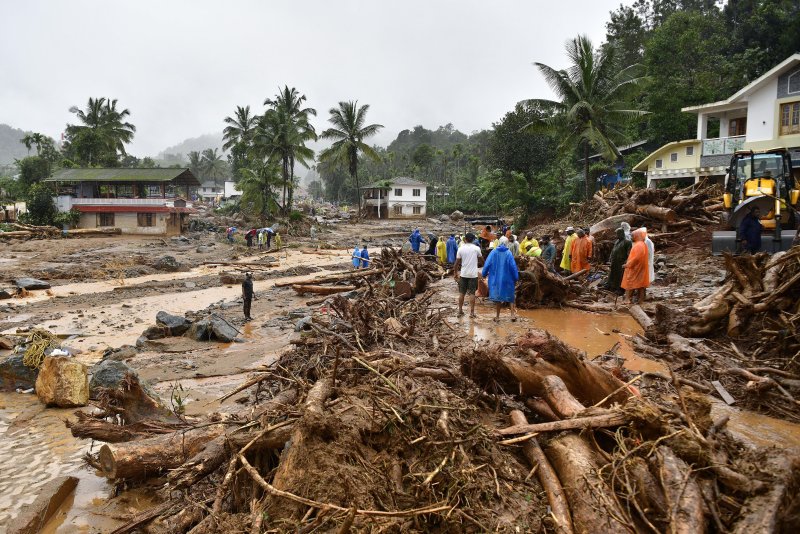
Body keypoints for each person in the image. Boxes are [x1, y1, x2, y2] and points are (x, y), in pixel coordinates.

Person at [482, 236, 519, 322]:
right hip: (508, 278)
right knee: (510, 296)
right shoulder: (508, 253)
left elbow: (487, 264)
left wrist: (484, 274)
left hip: (496, 278)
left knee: (498, 297)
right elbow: (513, 266)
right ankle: (512, 315)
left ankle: (498, 317)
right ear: (507, 243)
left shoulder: (493, 252)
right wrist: (516, 277)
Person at [454, 232, 481, 318]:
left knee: (462, 293)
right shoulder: (476, 248)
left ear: (465, 239)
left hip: (464, 274)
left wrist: (455, 273)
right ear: (473, 240)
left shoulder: (461, 248)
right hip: (473, 274)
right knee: (472, 293)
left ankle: (460, 311)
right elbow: (481, 260)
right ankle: (472, 313)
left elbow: (456, 264)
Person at [622, 229, 650, 304]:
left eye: (632, 236)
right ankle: (640, 300)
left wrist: (628, 264)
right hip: (640, 267)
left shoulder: (639, 245)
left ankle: (627, 299)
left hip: (635, 267)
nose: (631, 237)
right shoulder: (642, 244)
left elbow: (637, 257)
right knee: (641, 284)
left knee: (629, 282)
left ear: (637, 236)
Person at [606, 228, 631, 293]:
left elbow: (629, 253)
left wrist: (627, 261)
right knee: (613, 274)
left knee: (621, 276)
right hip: (614, 261)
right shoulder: (617, 241)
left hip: (621, 262)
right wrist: (610, 259)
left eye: (617, 234)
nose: (616, 235)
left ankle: (620, 289)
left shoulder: (627, 242)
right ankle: (612, 287)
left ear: (621, 234)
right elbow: (613, 251)